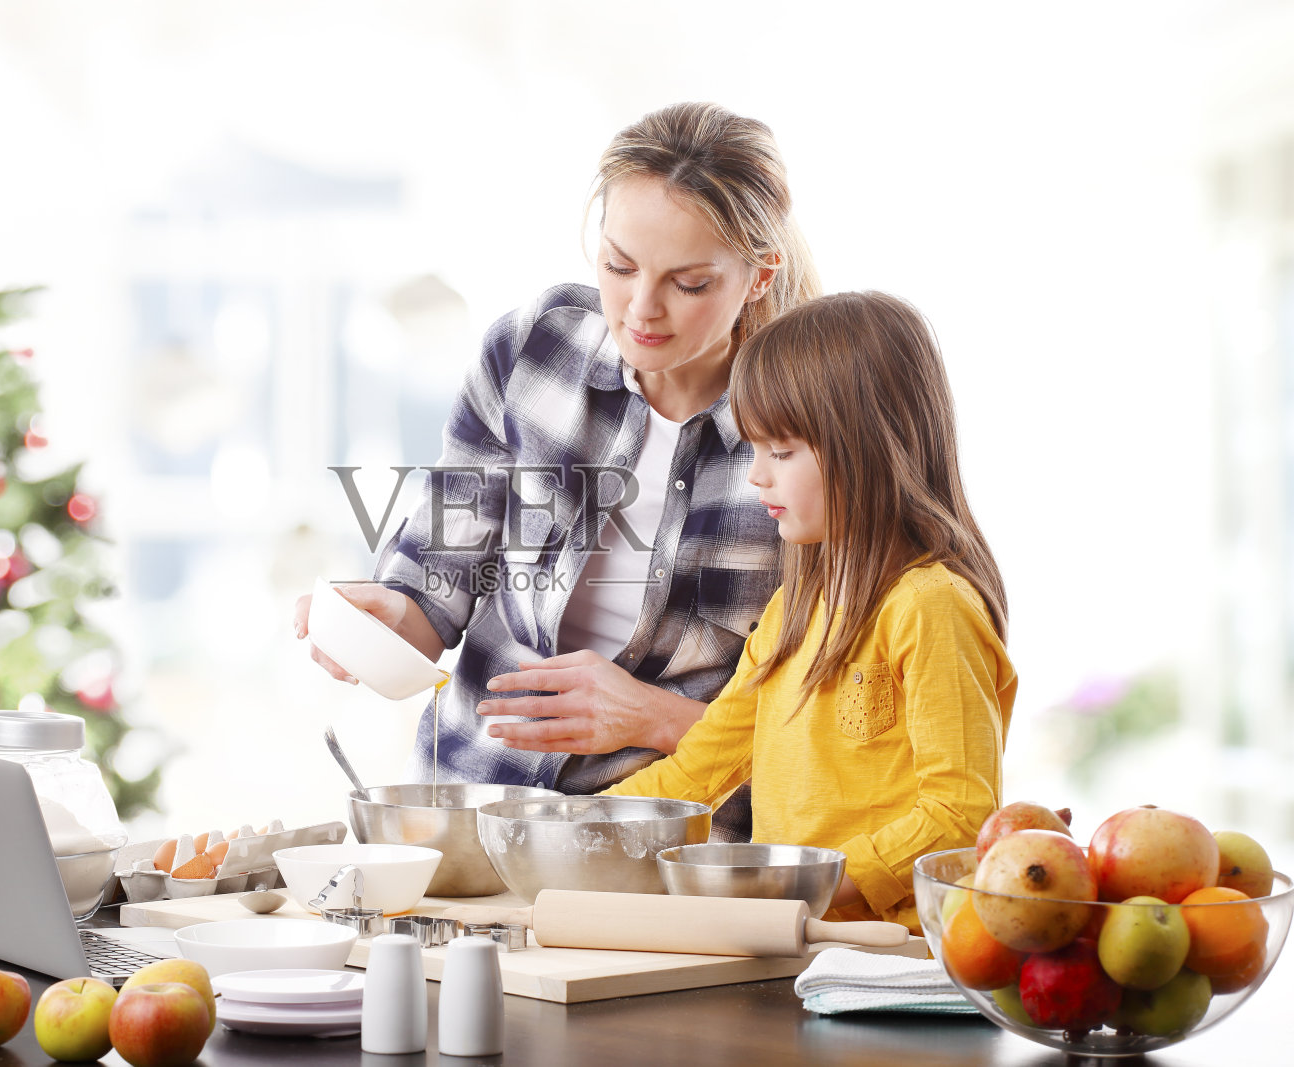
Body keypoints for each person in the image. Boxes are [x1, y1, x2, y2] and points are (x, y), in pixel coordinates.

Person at [293, 102, 819, 840]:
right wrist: (387, 619)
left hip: (668, 841)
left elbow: (835, 724)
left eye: (689, 283)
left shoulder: (813, 430)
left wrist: (657, 717)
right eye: (619, 265)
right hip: (468, 812)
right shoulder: (534, 349)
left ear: (759, 275)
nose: (642, 309)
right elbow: (438, 579)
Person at [603, 290, 1016, 931]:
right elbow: (698, 770)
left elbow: (959, 813)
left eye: (783, 452)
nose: (756, 477)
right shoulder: (793, 612)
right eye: (755, 449)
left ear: (870, 447)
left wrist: (805, 887)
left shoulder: (932, 608)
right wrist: (570, 827)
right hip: (804, 942)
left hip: (892, 956)